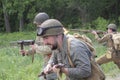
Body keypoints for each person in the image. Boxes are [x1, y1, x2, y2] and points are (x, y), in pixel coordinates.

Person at [20, 12, 57, 80]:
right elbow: (37, 45)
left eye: (38, 24)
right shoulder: (40, 32)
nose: (37, 26)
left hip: (54, 61)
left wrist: (36, 48)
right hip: (47, 62)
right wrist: (27, 52)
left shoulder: (51, 33)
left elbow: (50, 49)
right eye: (37, 24)